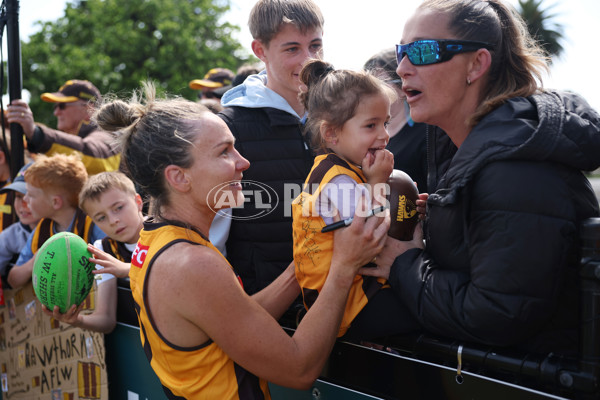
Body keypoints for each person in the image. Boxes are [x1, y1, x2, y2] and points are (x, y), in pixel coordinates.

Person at [93, 82, 388, 398]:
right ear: (179, 177)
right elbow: (299, 368)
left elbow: (236, 316)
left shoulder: (160, 238)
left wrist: (305, 262)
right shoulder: (191, 263)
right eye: (224, 152)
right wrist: (343, 267)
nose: (243, 162)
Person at [361, 0, 600, 356]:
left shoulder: (516, 167)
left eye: (423, 51)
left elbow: (496, 316)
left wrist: (403, 264)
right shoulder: (470, 149)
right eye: (402, 50)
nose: (402, 67)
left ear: (477, 64)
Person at [293, 59, 419, 339]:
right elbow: (370, 236)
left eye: (385, 123)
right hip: (351, 304)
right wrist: (377, 183)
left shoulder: (339, 169)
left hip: (349, 297)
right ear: (332, 133)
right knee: (427, 313)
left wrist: (409, 207)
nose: (384, 135)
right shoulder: (338, 181)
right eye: (371, 125)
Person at [217, 0, 324, 295]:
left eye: (315, 45)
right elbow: (211, 237)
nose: (309, 59)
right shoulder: (229, 128)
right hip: (263, 307)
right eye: (292, 49)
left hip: (341, 299)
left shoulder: (337, 116)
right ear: (260, 51)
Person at [42, 171, 144, 333]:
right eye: (101, 218)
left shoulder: (161, 231)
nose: (113, 220)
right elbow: (106, 320)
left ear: (138, 202)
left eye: (118, 208)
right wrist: (77, 320)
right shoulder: (104, 249)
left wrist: (126, 269)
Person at [7, 154, 106, 289]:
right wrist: (35, 261)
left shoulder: (93, 223)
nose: (25, 199)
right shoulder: (42, 228)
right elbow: (13, 280)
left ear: (55, 202)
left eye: (31, 194)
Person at [6, 79, 121, 175]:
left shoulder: (107, 135)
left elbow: (94, 155)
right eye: (55, 107)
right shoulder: (70, 141)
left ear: (89, 109)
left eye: (62, 106)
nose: (56, 113)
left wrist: (36, 133)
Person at [364, 47, 429, 193]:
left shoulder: (426, 133)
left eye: (381, 82)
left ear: (402, 87)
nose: (373, 91)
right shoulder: (362, 133)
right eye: (368, 84)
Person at [0, 163, 39, 288]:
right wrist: (32, 264)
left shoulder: (62, 224)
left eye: (29, 196)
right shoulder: (9, 236)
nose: (23, 204)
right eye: (18, 197)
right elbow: (11, 280)